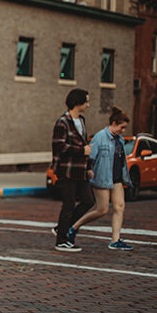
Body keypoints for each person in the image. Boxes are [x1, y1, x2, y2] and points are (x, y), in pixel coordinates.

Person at [66, 107, 134, 251]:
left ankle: (115, 240)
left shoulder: (120, 140)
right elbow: (90, 156)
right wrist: (89, 169)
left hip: (116, 178)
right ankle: (73, 227)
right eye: (122, 127)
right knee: (102, 210)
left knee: (119, 207)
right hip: (102, 177)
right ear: (114, 123)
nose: (123, 130)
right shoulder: (100, 137)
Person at [51, 88, 94, 252]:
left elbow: (85, 145)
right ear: (78, 102)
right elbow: (59, 146)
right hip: (66, 169)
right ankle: (61, 240)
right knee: (68, 204)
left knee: (88, 200)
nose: (88, 105)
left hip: (81, 169)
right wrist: (81, 151)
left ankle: (61, 227)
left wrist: (88, 166)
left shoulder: (81, 121)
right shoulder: (62, 122)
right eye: (86, 101)